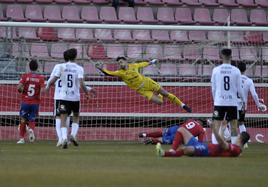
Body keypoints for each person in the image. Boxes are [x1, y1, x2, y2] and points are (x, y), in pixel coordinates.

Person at [95, 56, 192, 113]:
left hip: (147, 82)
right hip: (142, 90)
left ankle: (182, 105)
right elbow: (108, 73)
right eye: (119, 63)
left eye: (121, 61)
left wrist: (151, 62)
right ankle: (158, 94)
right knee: (160, 102)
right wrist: (100, 68)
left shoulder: (133, 66)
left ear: (126, 61)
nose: (120, 64)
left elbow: (143, 64)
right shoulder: (120, 72)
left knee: (166, 93)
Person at [45, 48, 95, 149]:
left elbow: (53, 79)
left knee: (62, 118)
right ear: (75, 57)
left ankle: (63, 138)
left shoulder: (60, 67)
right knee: (76, 116)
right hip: (75, 98)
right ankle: (72, 135)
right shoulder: (79, 68)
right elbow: (81, 83)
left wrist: (48, 86)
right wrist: (87, 93)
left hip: (63, 97)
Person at [210, 47, 245, 145]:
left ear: (221, 56)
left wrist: (215, 100)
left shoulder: (216, 70)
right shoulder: (236, 70)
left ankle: (215, 148)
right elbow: (239, 89)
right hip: (232, 102)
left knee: (216, 125)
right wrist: (243, 100)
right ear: (231, 56)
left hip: (219, 102)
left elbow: (213, 88)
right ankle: (233, 148)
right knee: (234, 126)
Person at [156, 122, 250, 157]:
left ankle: (164, 153)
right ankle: (172, 149)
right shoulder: (237, 149)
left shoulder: (236, 149)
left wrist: (214, 129)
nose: (237, 137)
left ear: (240, 139)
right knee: (181, 130)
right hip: (204, 145)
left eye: (238, 136)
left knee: (186, 150)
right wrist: (223, 128)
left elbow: (222, 144)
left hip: (208, 150)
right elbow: (221, 142)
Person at [17, 59, 45, 144]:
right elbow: (42, 90)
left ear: (29, 67)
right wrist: (38, 98)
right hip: (35, 102)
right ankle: (31, 129)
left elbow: (19, 88)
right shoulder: (41, 78)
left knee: (23, 119)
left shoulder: (25, 76)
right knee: (32, 119)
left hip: (25, 101)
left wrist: (22, 90)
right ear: (37, 68)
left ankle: (22, 139)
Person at [139, 119, 205, 145]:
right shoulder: (201, 130)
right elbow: (200, 143)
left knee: (162, 132)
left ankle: (145, 134)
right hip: (180, 134)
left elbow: (185, 124)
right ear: (202, 124)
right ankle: (152, 140)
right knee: (164, 140)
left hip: (175, 128)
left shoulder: (191, 120)